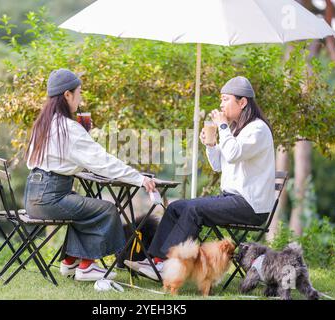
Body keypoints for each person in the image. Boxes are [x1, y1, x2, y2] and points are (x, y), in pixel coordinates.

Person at [125, 76, 275, 280]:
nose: (221, 105)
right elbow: (219, 164)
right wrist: (211, 145)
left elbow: (232, 153)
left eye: (225, 99)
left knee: (194, 209)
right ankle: (155, 261)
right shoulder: (236, 130)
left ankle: (168, 265)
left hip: (250, 206)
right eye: (221, 100)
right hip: (231, 198)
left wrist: (222, 127)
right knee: (176, 207)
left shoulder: (257, 129)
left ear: (242, 102)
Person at [24, 69, 156, 281]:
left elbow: (58, 160)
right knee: (105, 209)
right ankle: (87, 266)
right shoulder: (68, 128)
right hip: (51, 197)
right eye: (79, 92)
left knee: (85, 207)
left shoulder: (43, 124)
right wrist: (139, 178)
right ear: (67, 95)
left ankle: (71, 261)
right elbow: (103, 162)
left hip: (32, 197)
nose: (80, 98)